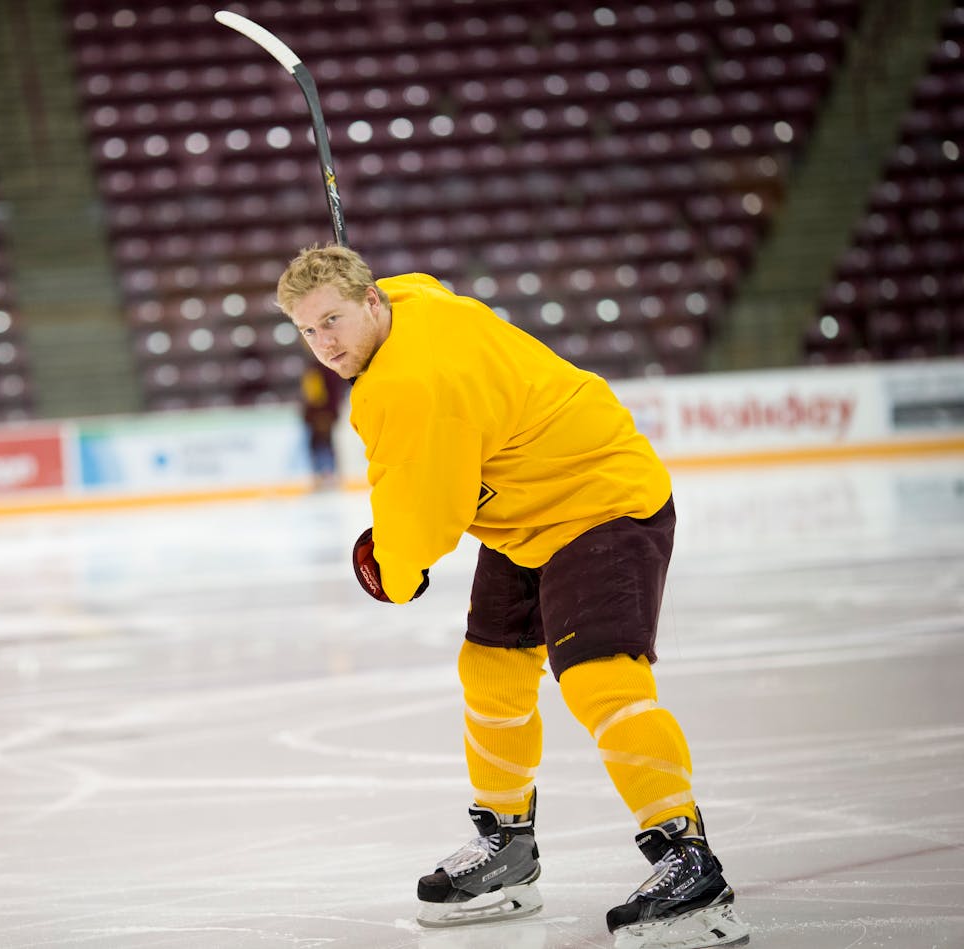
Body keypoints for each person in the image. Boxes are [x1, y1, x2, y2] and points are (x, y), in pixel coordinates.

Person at [276, 245, 749, 949]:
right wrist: (342, 287)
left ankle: (688, 860)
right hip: (527, 511)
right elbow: (416, 286)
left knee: (598, 676)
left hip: (599, 498)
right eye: (309, 330)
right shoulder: (412, 300)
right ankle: (508, 847)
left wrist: (393, 571)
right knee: (492, 668)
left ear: (372, 302)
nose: (326, 344)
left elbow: (421, 523)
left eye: (335, 319)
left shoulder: (406, 387)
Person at [299, 360, 345, 489]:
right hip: (322, 413)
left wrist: (320, 411)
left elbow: (315, 394)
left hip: (320, 413)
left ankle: (325, 477)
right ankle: (326, 477)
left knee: (321, 445)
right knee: (324, 444)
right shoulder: (325, 368)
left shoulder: (318, 368)